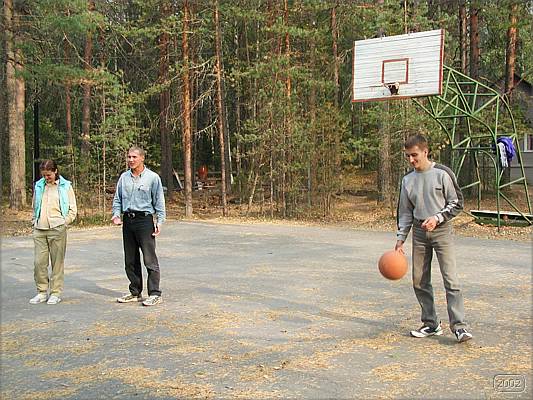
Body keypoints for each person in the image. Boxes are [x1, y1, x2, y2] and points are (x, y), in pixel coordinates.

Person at [395, 134, 473, 343]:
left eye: (414, 155)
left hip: (442, 231)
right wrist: (400, 239)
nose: (411, 160)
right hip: (419, 233)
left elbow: (457, 203)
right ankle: (431, 324)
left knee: (451, 280)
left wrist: (437, 218)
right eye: (407, 156)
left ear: (425, 152)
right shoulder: (407, 180)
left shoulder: (442, 173)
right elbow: (405, 212)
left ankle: (459, 327)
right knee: (419, 280)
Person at [112, 146, 166, 306]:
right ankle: (135, 292)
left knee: (149, 259)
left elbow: (159, 201)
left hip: (145, 221)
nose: (131, 160)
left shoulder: (152, 178)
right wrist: (116, 214)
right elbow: (117, 199)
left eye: (134, 157)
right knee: (130, 259)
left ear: (142, 158)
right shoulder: (124, 178)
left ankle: (155, 293)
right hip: (128, 221)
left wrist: (160, 221)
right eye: (129, 157)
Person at [30, 160, 77, 305]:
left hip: (57, 228)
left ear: (55, 171)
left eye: (48, 175)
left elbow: (73, 209)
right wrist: (34, 221)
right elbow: (34, 205)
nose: (46, 178)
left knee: (57, 263)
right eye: (44, 175)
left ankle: (55, 292)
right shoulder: (39, 186)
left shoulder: (65, 186)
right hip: (40, 229)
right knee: (39, 263)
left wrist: (64, 222)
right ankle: (42, 292)